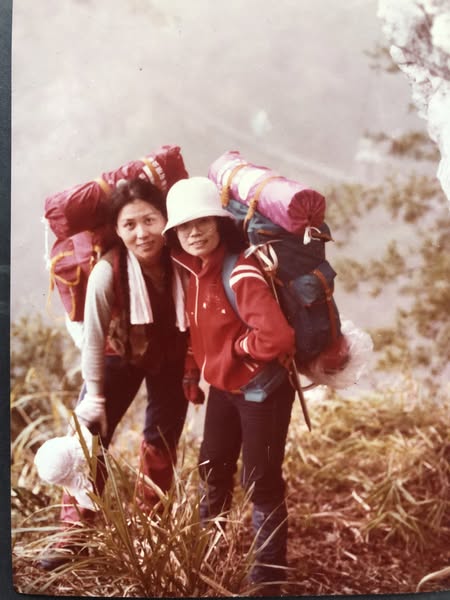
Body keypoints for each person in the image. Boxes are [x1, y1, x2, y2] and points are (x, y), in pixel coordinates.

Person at [39, 177, 197, 570]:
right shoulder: (106, 272)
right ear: (118, 230)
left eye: (150, 220)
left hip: (170, 354)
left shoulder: (182, 258)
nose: (142, 233)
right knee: (87, 438)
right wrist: (94, 395)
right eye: (130, 224)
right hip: (117, 352)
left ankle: (151, 530)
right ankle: (75, 533)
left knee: (161, 440)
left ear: (166, 219)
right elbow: (93, 340)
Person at [163, 176, 297, 594]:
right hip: (225, 390)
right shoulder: (194, 273)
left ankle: (268, 577)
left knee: (260, 480)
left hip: (262, 392)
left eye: (202, 222)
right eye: (184, 226)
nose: (194, 232)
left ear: (219, 223)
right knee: (211, 468)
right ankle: (209, 555)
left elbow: (278, 338)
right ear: (174, 234)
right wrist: (193, 372)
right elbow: (198, 332)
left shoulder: (240, 272)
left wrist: (240, 349)